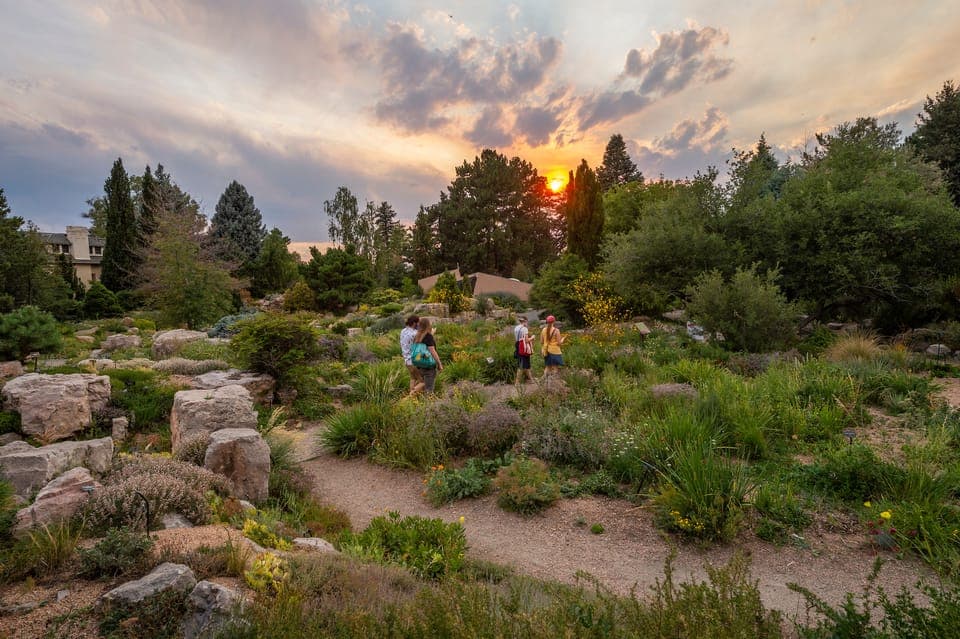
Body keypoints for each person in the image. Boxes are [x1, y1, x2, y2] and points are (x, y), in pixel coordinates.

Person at [411, 317, 443, 395]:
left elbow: (420, 349)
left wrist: (431, 334)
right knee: (429, 390)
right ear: (428, 325)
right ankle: (409, 397)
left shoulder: (416, 336)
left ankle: (412, 398)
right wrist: (439, 364)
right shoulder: (428, 336)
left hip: (419, 365)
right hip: (429, 365)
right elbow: (432, 351)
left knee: (422, 386)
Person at [400, 315, 422, 393]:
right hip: (414, 360)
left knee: (413, 378)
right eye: (418, 323)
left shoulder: (403, 331)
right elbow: (422, 343)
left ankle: (413, 400)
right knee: (423, 381)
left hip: (407, 360)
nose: (419, 325)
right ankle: (409, 397)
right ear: (414, 323)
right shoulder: (415, 333)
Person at [514, 315, 535, 384]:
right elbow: (526, 340)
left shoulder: (516, 328)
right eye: (527, 321)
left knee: (526, 364)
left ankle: (531, 380)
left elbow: (517, 339)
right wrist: (532, 337)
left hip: (518, 346)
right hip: (524, 348)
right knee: (521, 365)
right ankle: (517, 382)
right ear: (525, 321)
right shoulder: (524, 329)